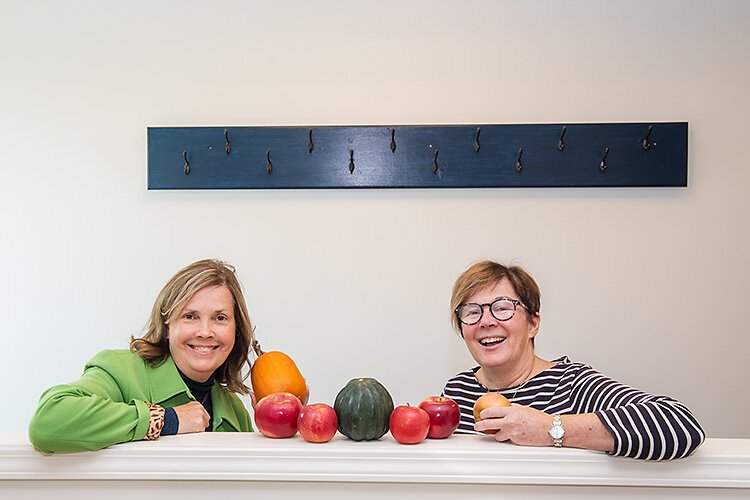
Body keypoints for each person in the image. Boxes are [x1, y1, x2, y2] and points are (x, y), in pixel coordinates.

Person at [442, 260, 705, 460]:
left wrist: (549, 429)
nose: (486, 322)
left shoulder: (570, 383)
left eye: (502, 308)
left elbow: (680, 425)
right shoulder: (457, 390)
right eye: (472, 312)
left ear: (533, 323)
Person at [29, 259, 260, 454]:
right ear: (168, 325)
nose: (205, 332)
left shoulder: (235, 411)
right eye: (190, 316)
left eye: (220, 318)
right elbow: (49, 421)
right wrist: (167, 420)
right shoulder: (120, 370)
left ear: (236, 329)